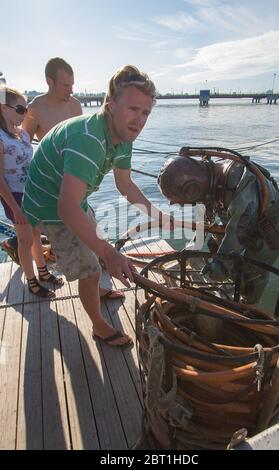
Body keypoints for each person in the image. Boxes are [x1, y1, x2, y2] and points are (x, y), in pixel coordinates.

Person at [21, 65, 173, 347]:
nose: (139, 120)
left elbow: (125, 186)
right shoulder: (89, 141)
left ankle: (96, 289)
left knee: (98, 246)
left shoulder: (124, 137)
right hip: (50, 206)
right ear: (110, 104)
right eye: (133, 109)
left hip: (71, 197)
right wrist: (110, 254)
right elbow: (66, 210)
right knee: (91, 267)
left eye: (145, 113)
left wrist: (159, 215)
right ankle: (99, 326)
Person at [2, 58, 121, 299]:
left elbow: (85, 142)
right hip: (41, 186)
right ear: (50, 82)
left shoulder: (75, 106)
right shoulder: (34, 109)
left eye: (72, 84)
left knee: (87, 229)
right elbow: (18, 142)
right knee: (32, 234)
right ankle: (40, 275)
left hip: (69, 182)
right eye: (66, 85)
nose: (71, 90)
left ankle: (92, 282)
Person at [158, 154, 279, 304]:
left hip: (271, 225)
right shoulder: (211, 180)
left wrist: (221, 264)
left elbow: (239, 233)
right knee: (216, 247)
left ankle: (249, 306)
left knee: (252, 272)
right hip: (238, 217)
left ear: (193, 188)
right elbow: (206, 216)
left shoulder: (242, 183)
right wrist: (195, 244)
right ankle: (231, 281)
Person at [0, 86, 63, 298]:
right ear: (3, 107)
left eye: (26, 109)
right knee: (25, 240)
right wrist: (14, 208)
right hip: (15, 196)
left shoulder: (21, 135)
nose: (25, 114)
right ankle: (32, 282)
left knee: (35, 235)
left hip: (32, 192)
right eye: (19, 109)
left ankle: (43, 272)